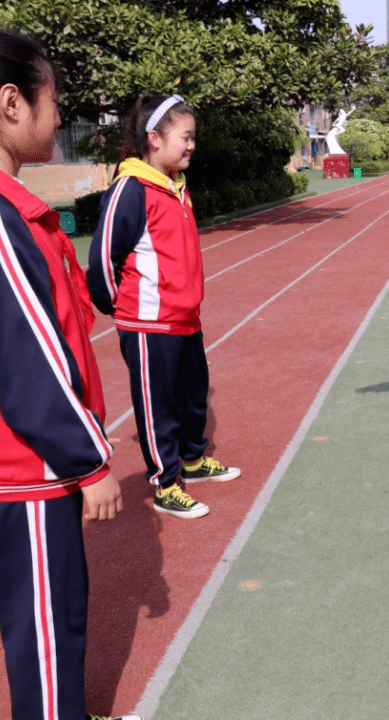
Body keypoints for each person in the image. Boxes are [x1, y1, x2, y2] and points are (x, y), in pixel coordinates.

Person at [0, 29, 144, 720]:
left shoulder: (14, 211)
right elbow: (28, 354)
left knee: (48, 626)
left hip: (21, 464)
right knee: (49, 637)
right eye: (53, 101)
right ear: (11, 103)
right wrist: (89, 460)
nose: (60, 117)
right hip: (25, 468)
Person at [88, 93, 241, 521]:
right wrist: (121, 307)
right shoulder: (131, 188)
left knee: (193, 397)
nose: (192, 145)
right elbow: (102, 257)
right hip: (148, 323)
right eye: (185, 137)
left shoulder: (176, 186)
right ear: (154, 138)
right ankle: (166, 483)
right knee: (159, 407)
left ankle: (192, 460)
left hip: (185, 319)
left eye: (194, 138)